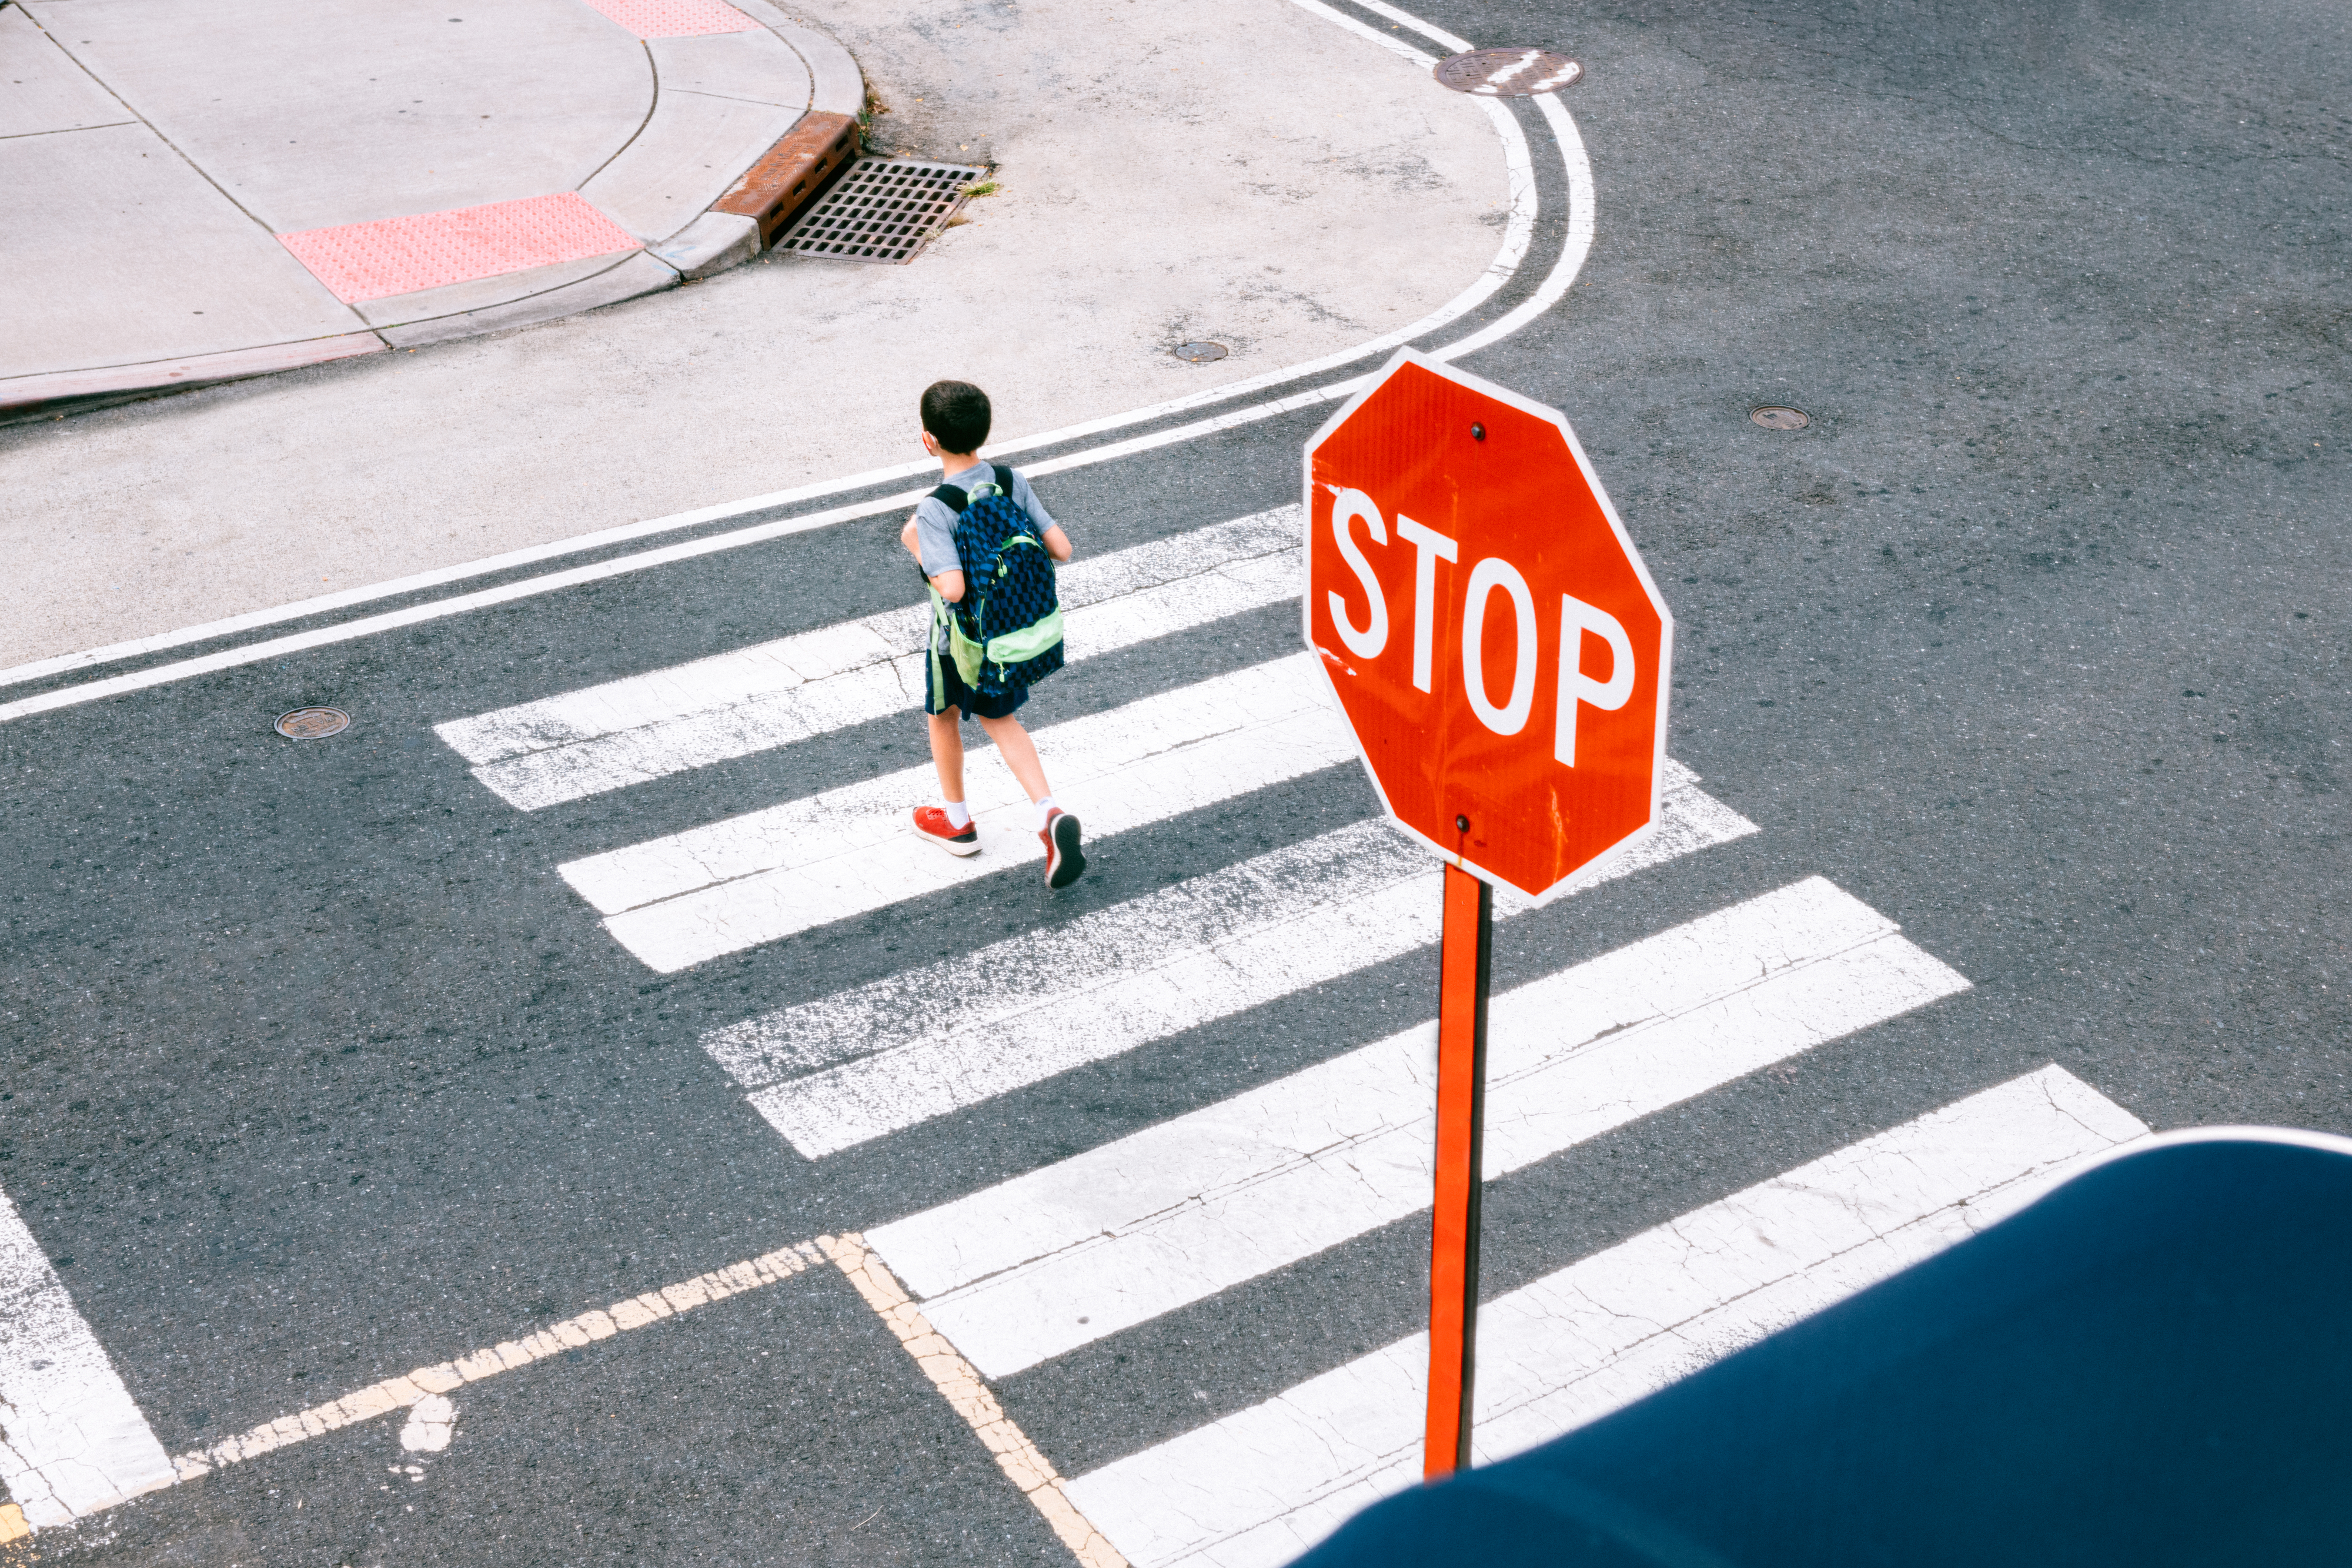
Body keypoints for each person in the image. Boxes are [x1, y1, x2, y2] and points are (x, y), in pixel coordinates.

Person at [898, 379, 1085, 888]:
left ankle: (957, 822)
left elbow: (953, 589)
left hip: (959, 645)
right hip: (1008, 637)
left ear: (928, 440)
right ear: (984, 431)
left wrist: (915, 546)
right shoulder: (1009, 479)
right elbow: (1062, 548)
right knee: (1002, 720)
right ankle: (1048, 812)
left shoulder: (936, 508)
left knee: (943, 716)